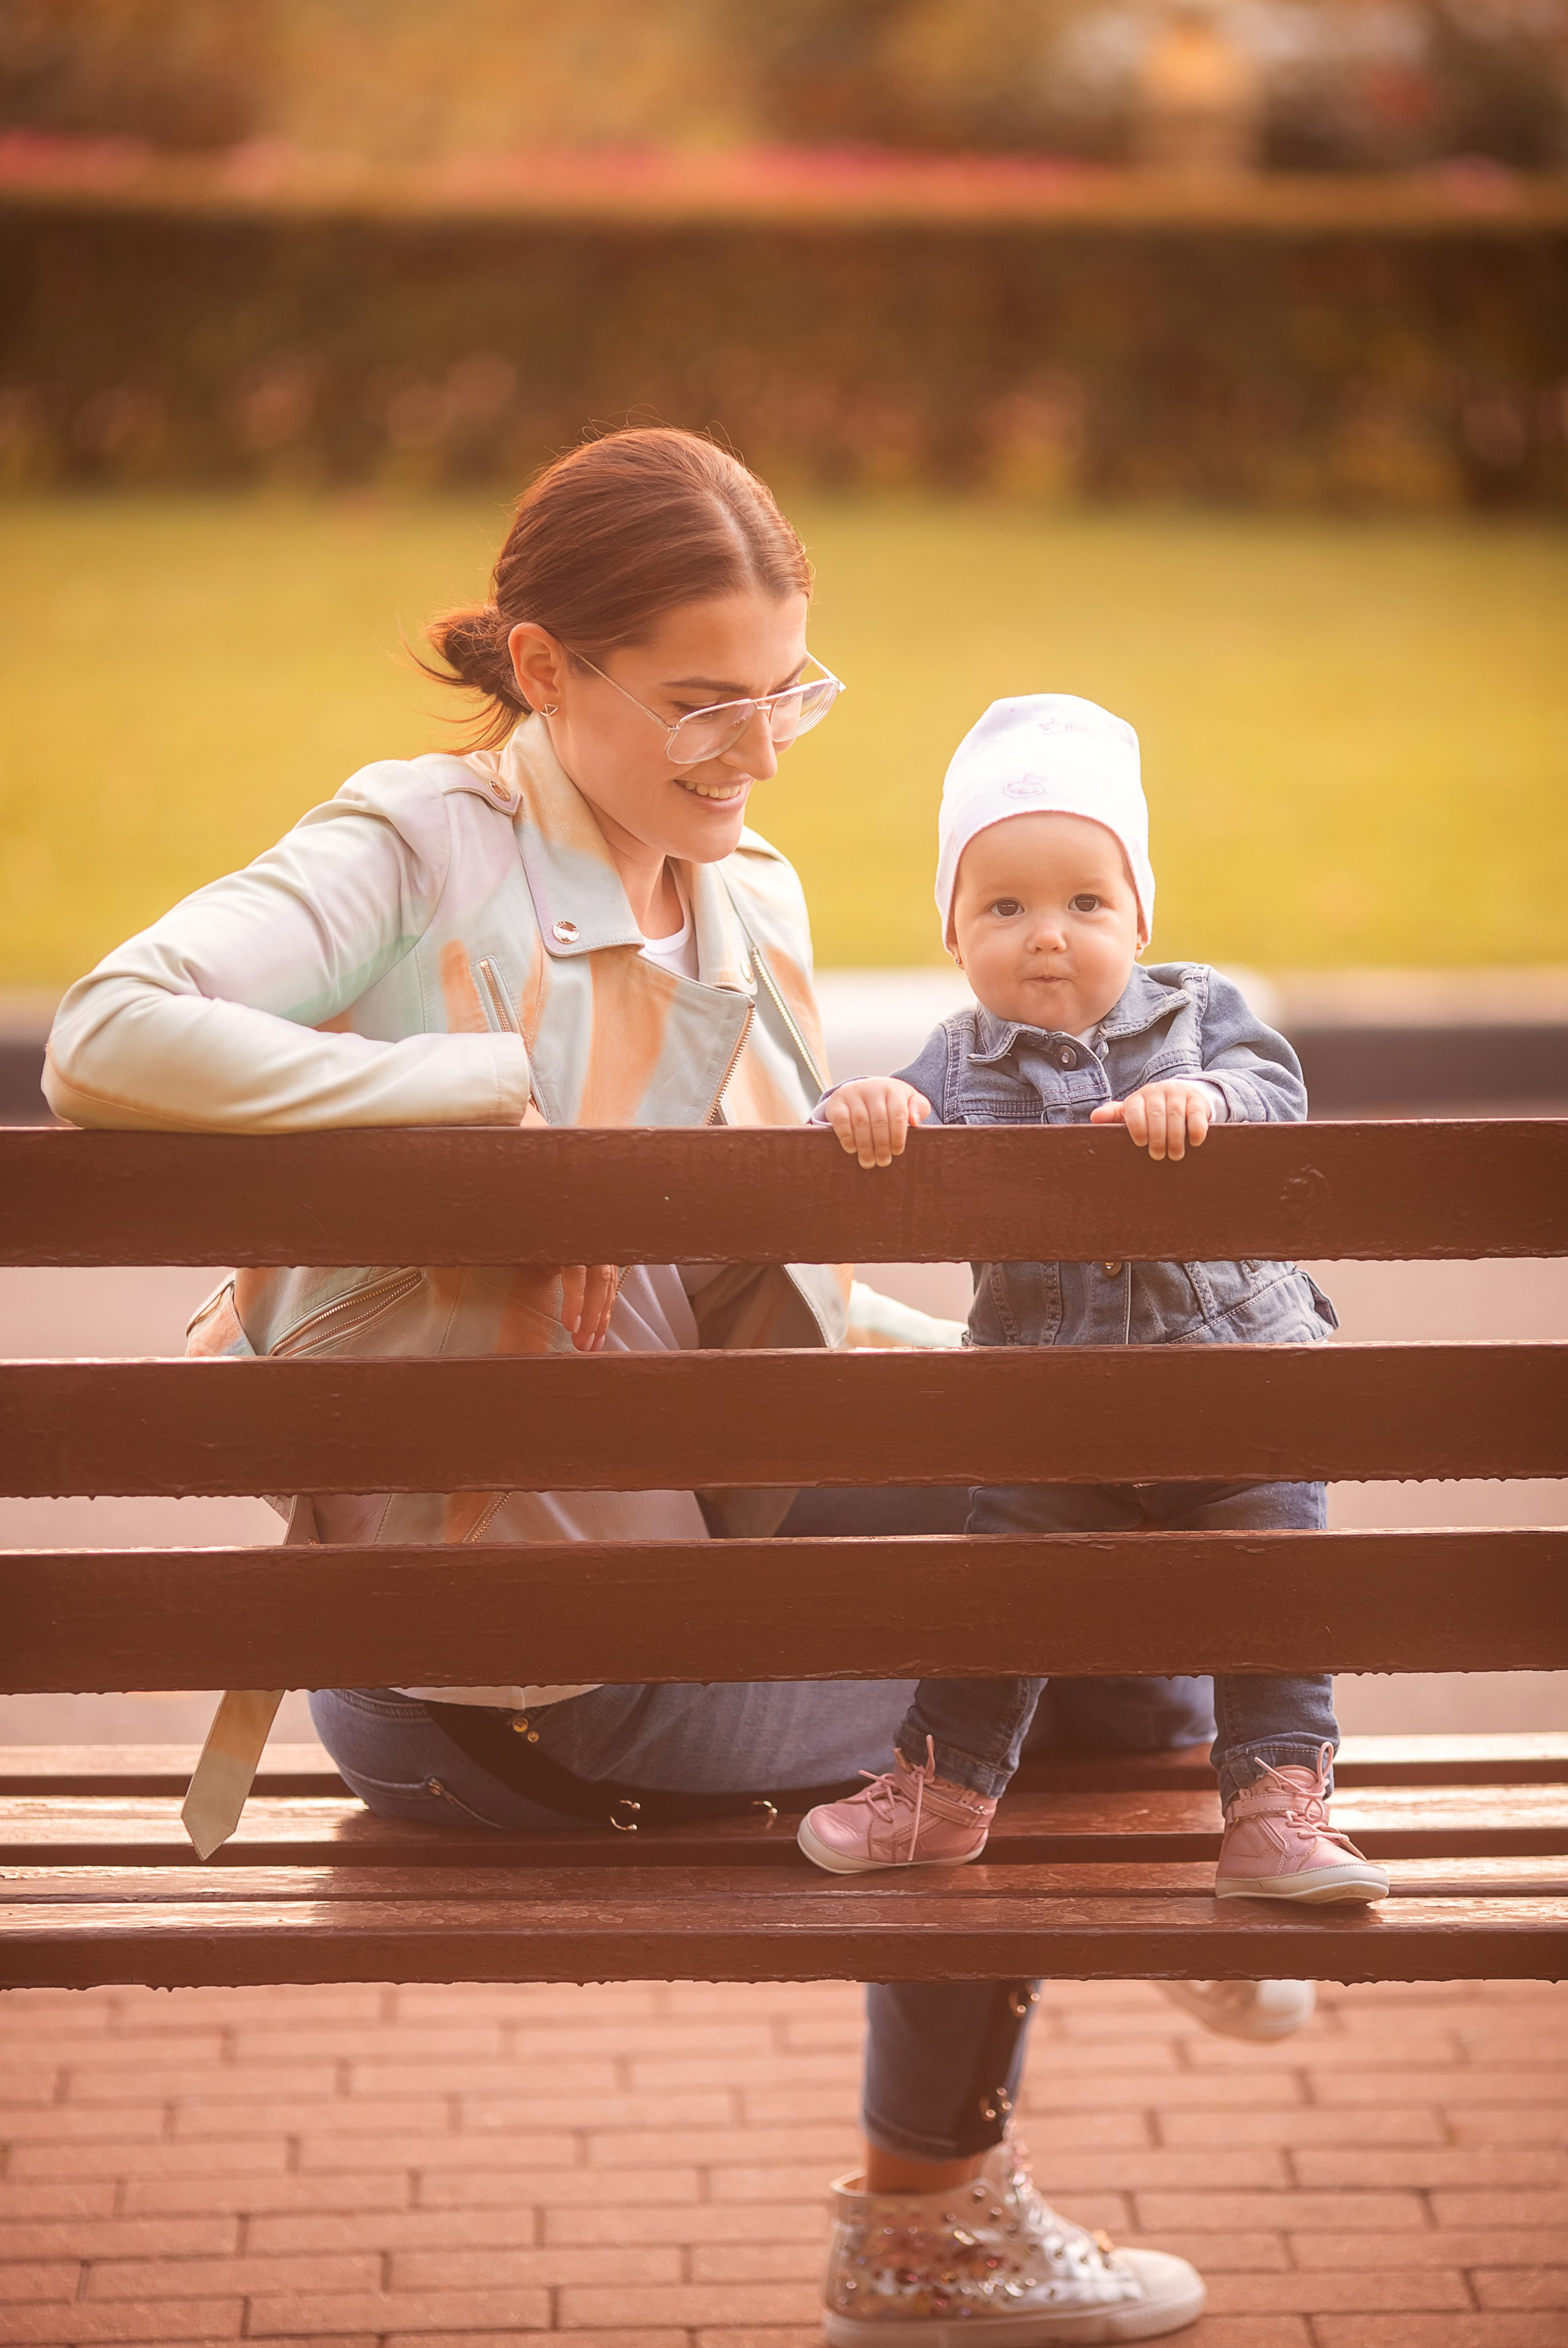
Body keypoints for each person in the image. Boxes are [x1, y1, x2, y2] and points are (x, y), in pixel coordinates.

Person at [44, 435, 1206, 2342]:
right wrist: (489, 1114)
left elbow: (775, 1305)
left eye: (785, 699)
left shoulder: (750, 904)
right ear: (542, 666)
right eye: (699, 705)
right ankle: (937, 2225)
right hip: (509, 1690)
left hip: (637, 1584)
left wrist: (1055, 1388)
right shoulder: (409, 851)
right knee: (1048, 1646)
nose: (754, 754)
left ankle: (978, 2179)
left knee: (1083, 1541)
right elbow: (106, 1033)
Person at [799, 692, 1390, 1917]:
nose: (1047, 936)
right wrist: (867, 1111)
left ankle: (1275, 1803)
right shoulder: (952, 1064)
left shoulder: (1195, 1016)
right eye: (1002, 906)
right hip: (1049, 1418)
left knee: (1269, 1583)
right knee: (997, 1592)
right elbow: (852, 1137)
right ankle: (944, 1790)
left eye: (1084, 903)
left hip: (1234, 1399)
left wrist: (1207, 1107)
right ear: (954, 933)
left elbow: (1269, 1094)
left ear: (1137, 918)